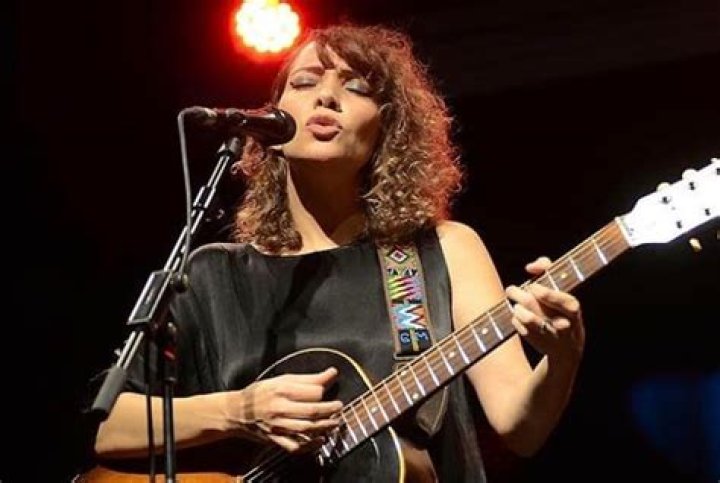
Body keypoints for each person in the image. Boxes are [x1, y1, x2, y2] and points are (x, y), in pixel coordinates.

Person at [87, 23, 585, 482]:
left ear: (387, 129)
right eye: (304, 83)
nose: (326, 96)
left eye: (358, 87)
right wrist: (239, 412)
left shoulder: (439, 250)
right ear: (272, 121)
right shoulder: (214, 275)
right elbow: (107, 427)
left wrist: (562, 358)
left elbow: (520, 427)